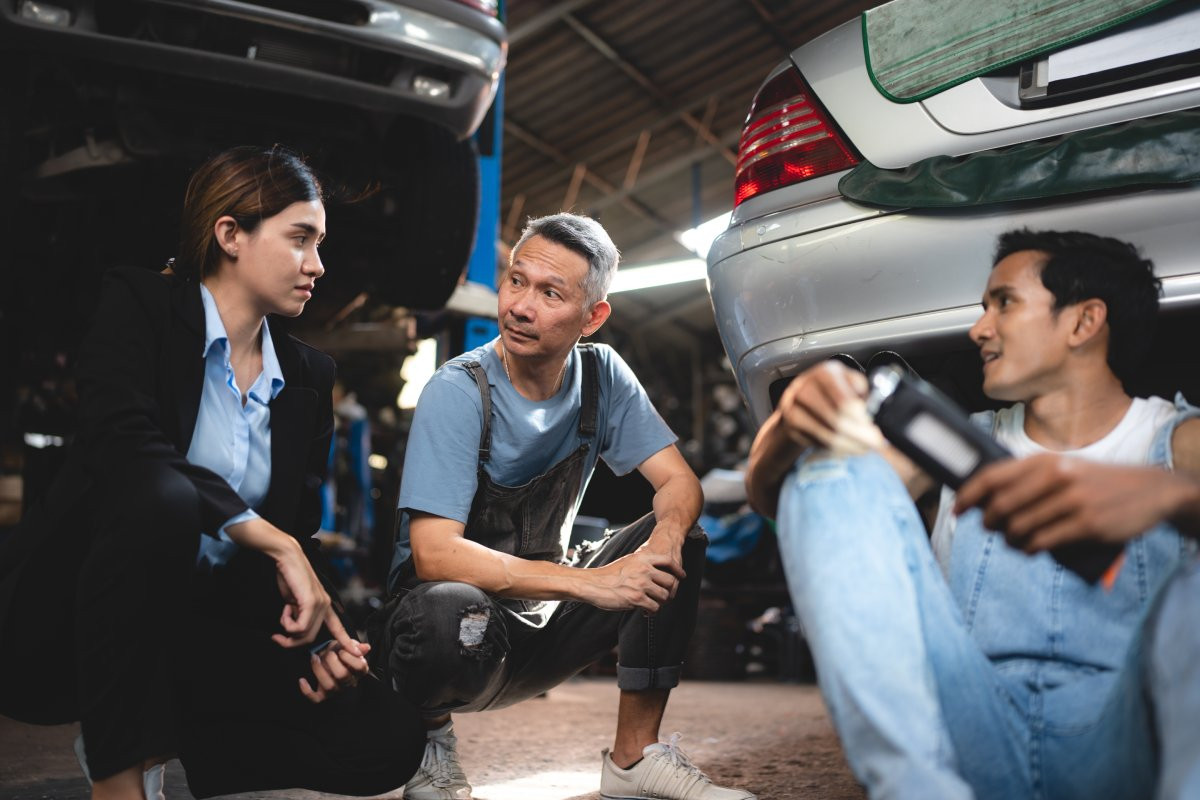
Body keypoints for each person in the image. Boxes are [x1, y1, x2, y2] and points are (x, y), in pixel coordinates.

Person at [0, 145, 424, 800]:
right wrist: (267, 536)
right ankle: (118, 774)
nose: (317, 264)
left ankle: (181, 741)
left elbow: (297, 533)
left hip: (206, 624)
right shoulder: (139, 303)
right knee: (165, 498)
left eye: (320, 244)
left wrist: (326, 636)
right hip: (87, 613)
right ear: (230, 234)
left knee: (387, 736)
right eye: (300, 239)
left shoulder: (308, 376)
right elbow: (124, 445)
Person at [745, 229, 1200, 799]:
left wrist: (1171, 497)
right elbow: (794, 503)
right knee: (829, 472)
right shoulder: (956, 448)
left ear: (1084, 322)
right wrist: (788, 422)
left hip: (1130, 738)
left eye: (1004, 303)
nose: (979, 329)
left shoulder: (1178, 441)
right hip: (976, 727)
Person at [376, 212, 754, 800]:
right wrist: (594, 583)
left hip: (541, 621)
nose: (520, 307)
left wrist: (662, 544)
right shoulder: (458, 390)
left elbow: (680, 485)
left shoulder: (602, 377)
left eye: (550, 293)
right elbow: (434, 554)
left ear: (592, 317)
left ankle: (633, 759)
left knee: (681, 537)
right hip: (453, 637)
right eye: (516, 281)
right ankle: (430, 745)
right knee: (446, 609)